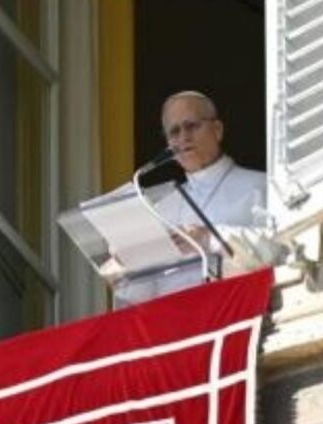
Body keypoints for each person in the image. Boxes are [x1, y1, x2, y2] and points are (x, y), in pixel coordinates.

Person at [112, 90, 269, 307]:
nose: (183, 137)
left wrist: (209, 238)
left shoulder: (260, 186)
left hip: (236, 310)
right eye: (174, 132)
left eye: (192, 126)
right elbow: (144, 297)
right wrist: (128, 270)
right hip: (174, 326)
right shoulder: (161, 210)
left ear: (217, 130)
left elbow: (278, 249)